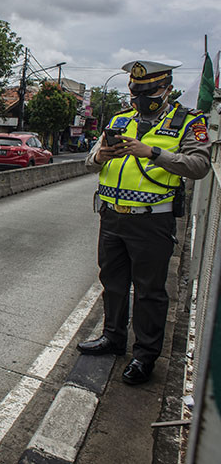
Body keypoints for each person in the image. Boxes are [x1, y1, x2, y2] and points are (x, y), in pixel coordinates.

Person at [77, 60, 212, 385]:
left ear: (166, 88)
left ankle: (144, 356)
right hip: (111, 217)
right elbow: (88, 162)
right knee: (113, 282)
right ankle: (113, 337)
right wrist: (101, 157)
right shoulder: (120, 119)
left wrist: (151, 152)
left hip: (152, 222)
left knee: (150, 292)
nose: (141, 98)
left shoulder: (186, 122)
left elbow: (199, 165)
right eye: (136, 91)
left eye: (148, 92)